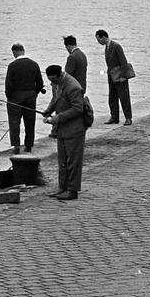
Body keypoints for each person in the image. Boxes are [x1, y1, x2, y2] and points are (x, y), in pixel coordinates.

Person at [43, 63, 88, 200]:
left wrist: (56, 118)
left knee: (73, 161)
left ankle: (72, 191)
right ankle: (62, 187)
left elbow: (77, 109)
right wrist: (48, 111)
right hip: (62, 129)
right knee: (62, 160)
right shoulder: (58, 83)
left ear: (60, 75)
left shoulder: (73, 87)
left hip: (75, 129)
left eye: (53, 80)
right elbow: (55, 98)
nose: (51, 83)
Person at [4, 43, 45, 153]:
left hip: (15, 96)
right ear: (23, 50)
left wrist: (9, 97)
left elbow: (8, 85)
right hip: (30, 96)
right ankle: (28, 145)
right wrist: (34, 93)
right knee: (30, 121)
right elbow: (40, 83)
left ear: (15, 52)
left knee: (14, 122)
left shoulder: (12, 66)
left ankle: (16, 146)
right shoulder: (34, 64)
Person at [96, 28, 133, 125]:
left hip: (120, 76)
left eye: (99, 40)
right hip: (111, 76)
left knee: (124, 97)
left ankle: (128, 118)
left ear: (103, 37)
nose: (98, 42)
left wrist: (123, 76)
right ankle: (114, 117)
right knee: (112, 97)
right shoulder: (107, 47)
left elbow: (123, 62)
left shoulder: (116, 46)